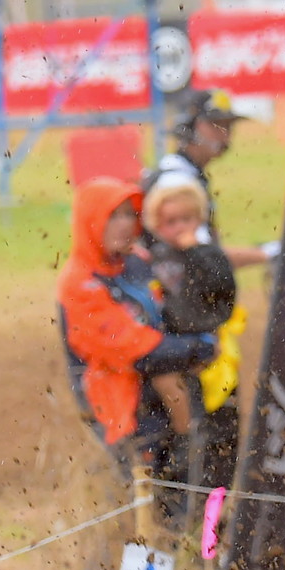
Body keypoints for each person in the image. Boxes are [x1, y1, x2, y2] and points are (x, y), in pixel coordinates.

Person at [56, 178, 216, 477]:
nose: (124, 224)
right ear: (91, 220)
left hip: (166, 395)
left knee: (191, 481)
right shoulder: (79, 283)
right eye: (113, 216)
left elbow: (177, 312)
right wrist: (198, 347)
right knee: (143, 497)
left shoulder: (138, 263)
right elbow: (134, 349)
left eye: (129, 214)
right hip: (120, 408)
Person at [141, 171, 243, 500]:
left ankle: (213, 524)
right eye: (170, 221)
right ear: (156, 223)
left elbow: (222, 293)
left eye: (187, 218)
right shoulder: (150, 260)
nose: (180, 227)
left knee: (221, 448)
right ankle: (186, 517)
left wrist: (197, 252)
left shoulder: (209, 255)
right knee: (179, 451)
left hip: (213, 360)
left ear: (200, 217)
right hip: (172, 358)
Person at [145, 90, 276, 270]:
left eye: (228, 127)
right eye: (216, 125)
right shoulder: (176, 182)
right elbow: (203, 256)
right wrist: (267, 254)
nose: (225, 136)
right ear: (189, 127)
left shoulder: (186, 173)